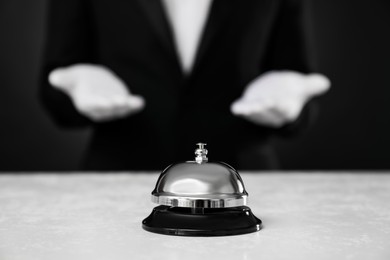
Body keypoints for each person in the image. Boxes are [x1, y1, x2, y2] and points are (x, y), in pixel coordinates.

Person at [40, 0, 330, 170]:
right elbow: (53, 89)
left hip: (244, 181)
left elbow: (300, 83)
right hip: (118, 178)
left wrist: (289, 106)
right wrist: (77, 89)